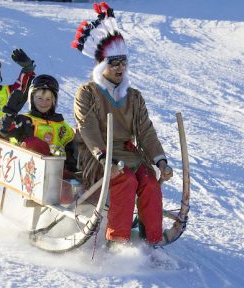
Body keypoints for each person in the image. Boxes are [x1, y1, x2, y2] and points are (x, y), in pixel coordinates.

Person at [71, 3, 173, 246]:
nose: (119, 68)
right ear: (102, 65)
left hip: (128, 153)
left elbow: (146, 130)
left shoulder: (133, 96)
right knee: (124, 180)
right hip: (97, 156)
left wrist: (160, 160)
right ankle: (118, 242)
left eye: (123, 62)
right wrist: (104, 157)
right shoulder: (87, 93)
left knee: (149, 181)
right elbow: (88, 128)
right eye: (113, 63)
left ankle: (153, 240)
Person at [0, 74, 78, 175]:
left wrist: (71, 169)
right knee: (33, 142)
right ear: (32, 98)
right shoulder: (24, 120)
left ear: (54, 101)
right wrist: (9, 114)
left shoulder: (62, 126)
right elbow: (5, 130)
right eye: (39, 98)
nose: (43, 102)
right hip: (28, 172)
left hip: (57, 174)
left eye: (48, 99)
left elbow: (70, 151)